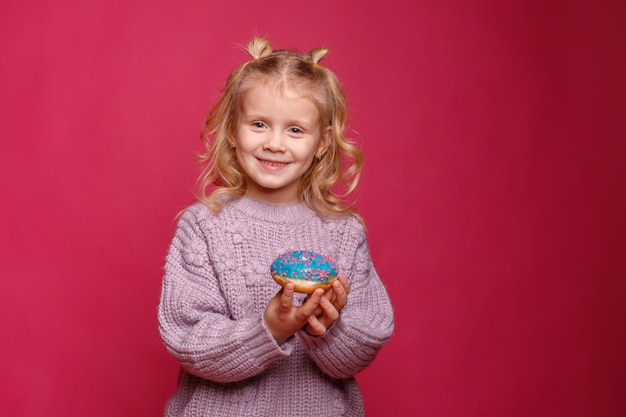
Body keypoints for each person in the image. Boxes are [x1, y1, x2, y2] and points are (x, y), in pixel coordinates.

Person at [158, 38, 394, 417]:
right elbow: (188, 340)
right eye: (259, 124)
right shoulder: (205, 227)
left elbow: (365, 344)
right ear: (233, 131)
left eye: (296, 130)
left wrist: (325, 330)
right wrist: (269, 327)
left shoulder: (343, 233)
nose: (275, 143)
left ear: (322, 143)